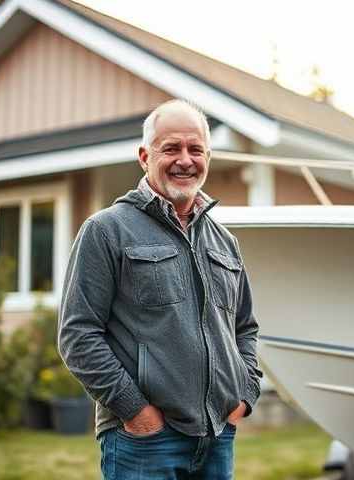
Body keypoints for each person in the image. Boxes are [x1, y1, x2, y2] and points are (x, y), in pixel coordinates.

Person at [58, 99, 262, 479]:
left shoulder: (225, 242)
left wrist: (244, 397)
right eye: (170, 148)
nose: (184, 159)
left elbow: (245, 328)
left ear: (207, 157)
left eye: (195, 149)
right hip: (144, 442)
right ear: (144, 156)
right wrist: (136, 411)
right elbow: (78, 335)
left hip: (217, 437)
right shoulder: (106, 231)